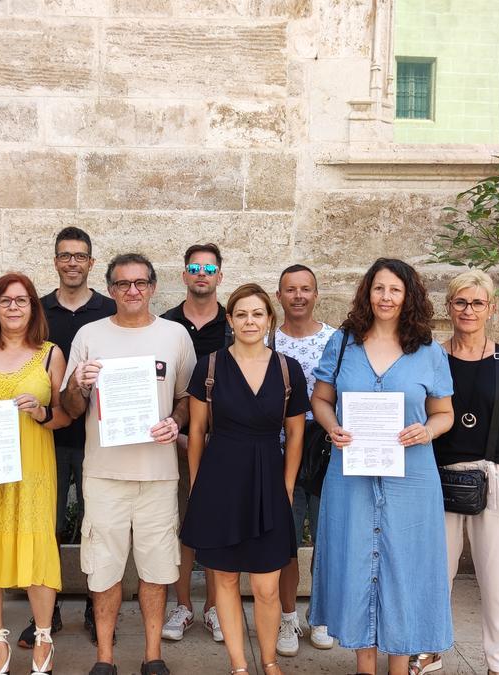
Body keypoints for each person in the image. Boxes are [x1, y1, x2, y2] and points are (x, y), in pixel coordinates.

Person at [308, 258, 455, 675]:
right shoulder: (343, 343)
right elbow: (320, 399)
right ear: (367, 293)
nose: (385, 297)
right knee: (355, 563)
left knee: (406, 567)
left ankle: (400, 667)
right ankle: (364, 668)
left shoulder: (428, 350)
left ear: (408, 295)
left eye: (394, 289)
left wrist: (427, 431)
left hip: (411, 477)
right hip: (350, 472)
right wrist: (333, 426)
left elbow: (444, 412)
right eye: (378, 288)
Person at [60, 253, 197, 675]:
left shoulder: (174, 335)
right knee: (103, 568)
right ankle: (105, 657)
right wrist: (80, 385)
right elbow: (68, 404)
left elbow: (187, 399)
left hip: (157, 474)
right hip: (103, 474)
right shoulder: (89, 334)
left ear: (153, 287)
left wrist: (175, 423)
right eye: (122, 284)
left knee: (156, 570)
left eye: (140, 283)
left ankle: (152, 656)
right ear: (111, 289)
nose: (132, 291)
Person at [411, 270, 499, 675]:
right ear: (448, 307)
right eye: (461, 302)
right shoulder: (430, 356)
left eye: (477, 303)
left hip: (497, 478)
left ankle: (498, 665)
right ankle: (428, 652)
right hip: (438, 476)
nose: (468, 310)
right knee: (433, 576)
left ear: (491, 308)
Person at [181, 283, 310, 675]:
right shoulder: (211, 366)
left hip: (268, 483)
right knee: (224, 581)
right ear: (230, 320)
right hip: (220, 484)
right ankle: (239, 665)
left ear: (269, 319)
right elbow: (198, 433)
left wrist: (286, 488)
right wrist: (199, 488)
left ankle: (268, 661)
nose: (249, 321)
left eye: (257, 314)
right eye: (241, 314)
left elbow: (296, 438)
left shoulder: (288, 369)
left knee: (267, 587)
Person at [0, 273, 73, 675]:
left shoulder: (50, 354)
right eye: (4, 300)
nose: (13, 307)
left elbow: (65, 415)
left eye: (21, 300)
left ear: (33, 308)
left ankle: (43, 638)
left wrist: (41, 412)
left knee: (38, 552)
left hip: (34, 470)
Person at [35, 227, 116, 647]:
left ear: (90, 263)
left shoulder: (108, 309)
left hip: (98, 437)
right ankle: (44, 615)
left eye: (79, 256)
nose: (72, 262)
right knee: (44, 526)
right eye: (64, 255)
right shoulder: (39, 310)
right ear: (55, 261)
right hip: (47, 435)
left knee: (95, 526)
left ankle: (92, 607)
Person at [159, 243, 233, 643]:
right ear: (185, 275)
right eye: (194, 267)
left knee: (221, 525)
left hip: (226, 446)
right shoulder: (166, 325)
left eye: (209, 268)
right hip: (177, 442)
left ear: (220, 276)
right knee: (184, 525)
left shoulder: (235, 324)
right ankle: (183, 605)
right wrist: (182, 433)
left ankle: (214, 609)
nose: (202, 274)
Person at [269, 264, 338, 656]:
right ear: (279, 296)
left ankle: (321, 615)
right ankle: (286, 618)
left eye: (305, 289)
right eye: (290, 289)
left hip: (326, 451)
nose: (298, 296)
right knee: (287, 542)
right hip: (279, 453)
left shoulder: (336, 340)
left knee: (327, 538)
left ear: (315, 294)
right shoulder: (266, 340)